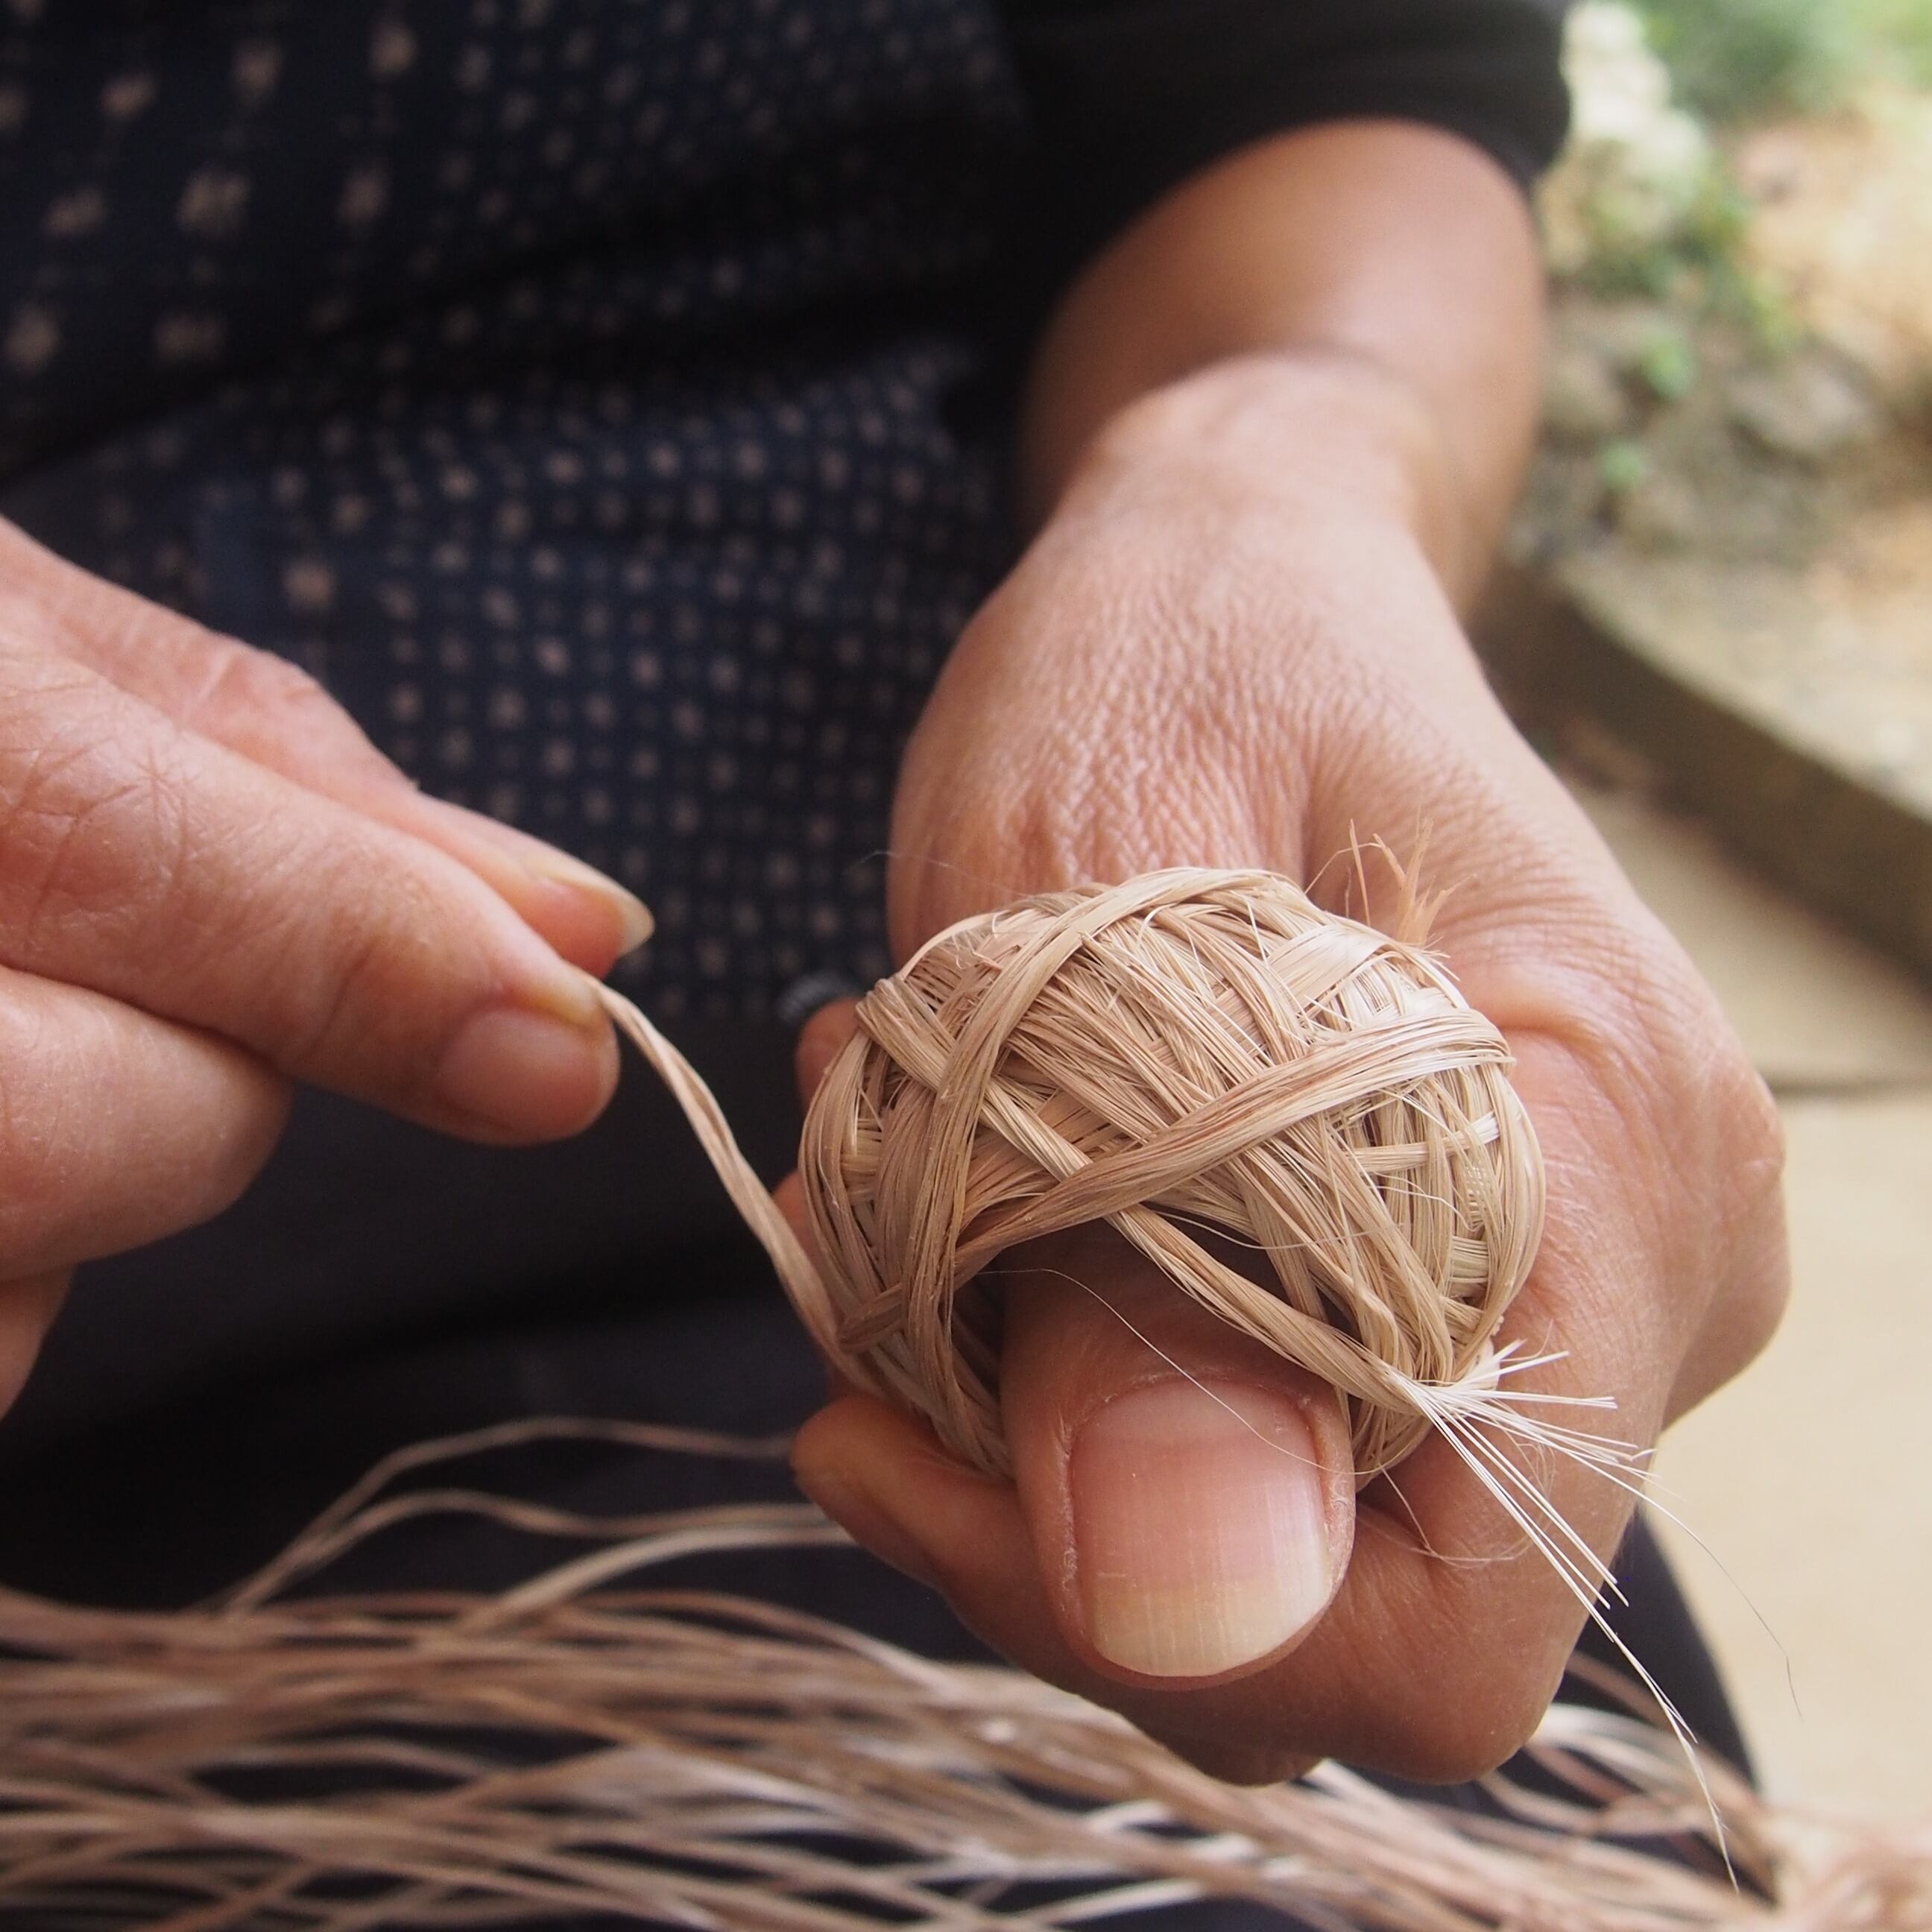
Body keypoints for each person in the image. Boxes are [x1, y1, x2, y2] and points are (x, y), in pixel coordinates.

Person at [0, 0, 1781, 1840]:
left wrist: (1278, 450)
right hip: (105, 1411)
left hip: (969, 1289)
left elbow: (1334, 84)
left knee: (1519, 1806)